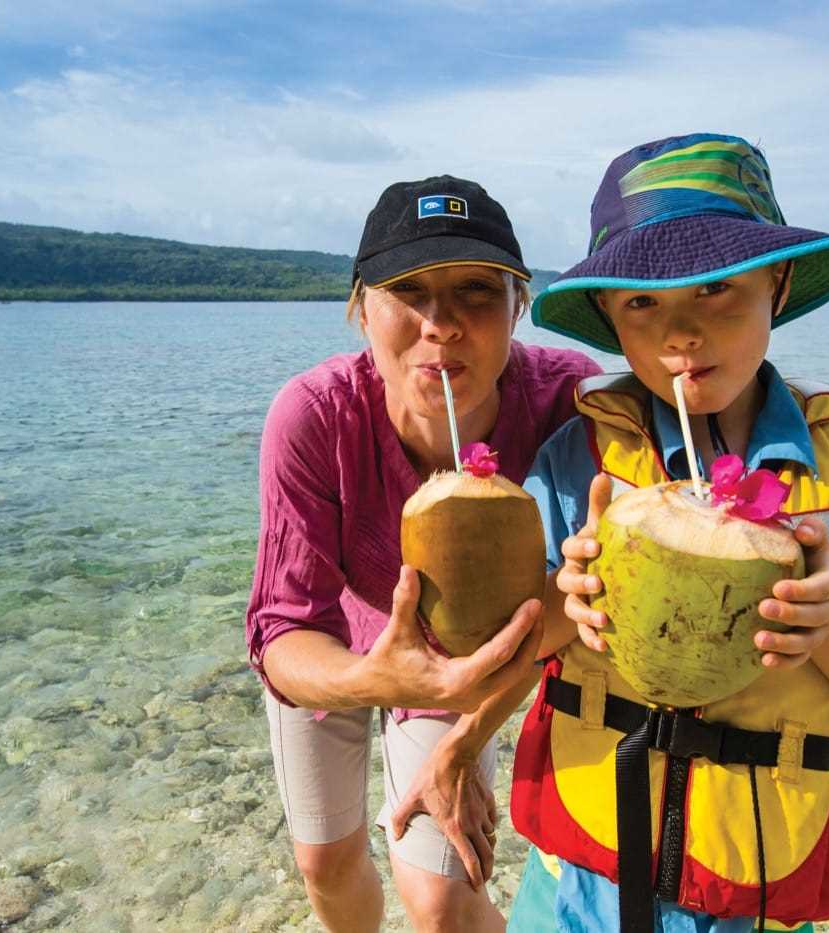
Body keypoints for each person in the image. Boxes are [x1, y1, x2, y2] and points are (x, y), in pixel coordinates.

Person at [505, 133, 829, 932]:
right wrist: (563, 602)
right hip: (578, 884)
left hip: (755, 897)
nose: (682, 333)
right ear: (610, 317)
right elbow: (506, 653)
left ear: (777, 284)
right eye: (643, 301)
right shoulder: (580, 462)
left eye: (718, 288)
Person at [245, 174, 602, 932]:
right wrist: (370, 676)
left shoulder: (568, 404)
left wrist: (469, 732)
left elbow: (587, 590)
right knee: (327, 862)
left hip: (464, 660)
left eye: (476, 291)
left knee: (444, 897)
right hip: (337, 643)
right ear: (360, 307)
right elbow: (281, 630)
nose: (440, 324)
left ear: (519, 305)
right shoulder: (312, 419)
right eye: (408, 291)